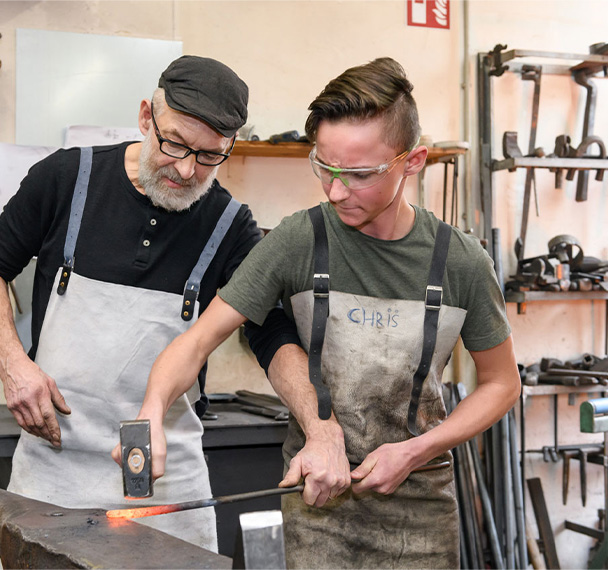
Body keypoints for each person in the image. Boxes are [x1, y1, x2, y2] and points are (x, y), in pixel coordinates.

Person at [116, 57, 521, 568]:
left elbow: (502, 384)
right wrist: (152, 410)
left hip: (420, 516)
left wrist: (415, 452)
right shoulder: (300, 240)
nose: (334, 191)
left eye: (357, 174)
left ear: (412, 161)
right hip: (317, 505)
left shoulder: (461, 261)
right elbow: (198, 340)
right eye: (324, 168)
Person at [0, 55, 301, 551]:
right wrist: (14, 364)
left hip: (169, 480)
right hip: (55, 469)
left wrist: (318, 429)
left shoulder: (230, 225)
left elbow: (271, 333)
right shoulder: (65, 179)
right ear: (146, 117)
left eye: (209, 155)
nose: (188, 170)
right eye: (175, 144)